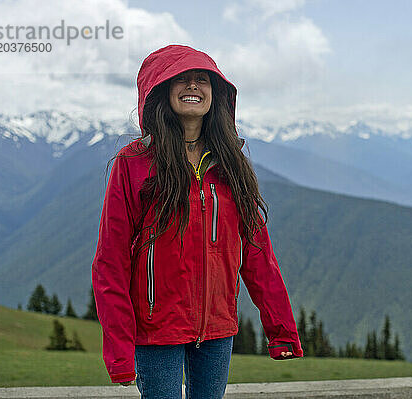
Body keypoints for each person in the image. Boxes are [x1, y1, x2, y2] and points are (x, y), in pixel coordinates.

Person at [91, 44, 304, 398]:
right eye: (182, 79)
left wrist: (281, 330)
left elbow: (257, 253)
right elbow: (110, 261)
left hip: (218, 329)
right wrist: (119, 352)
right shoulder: (134, 163)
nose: (193, 86)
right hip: (156, 329)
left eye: (202, 79)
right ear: (161, 91)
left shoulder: (231, 164)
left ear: (215, 93)